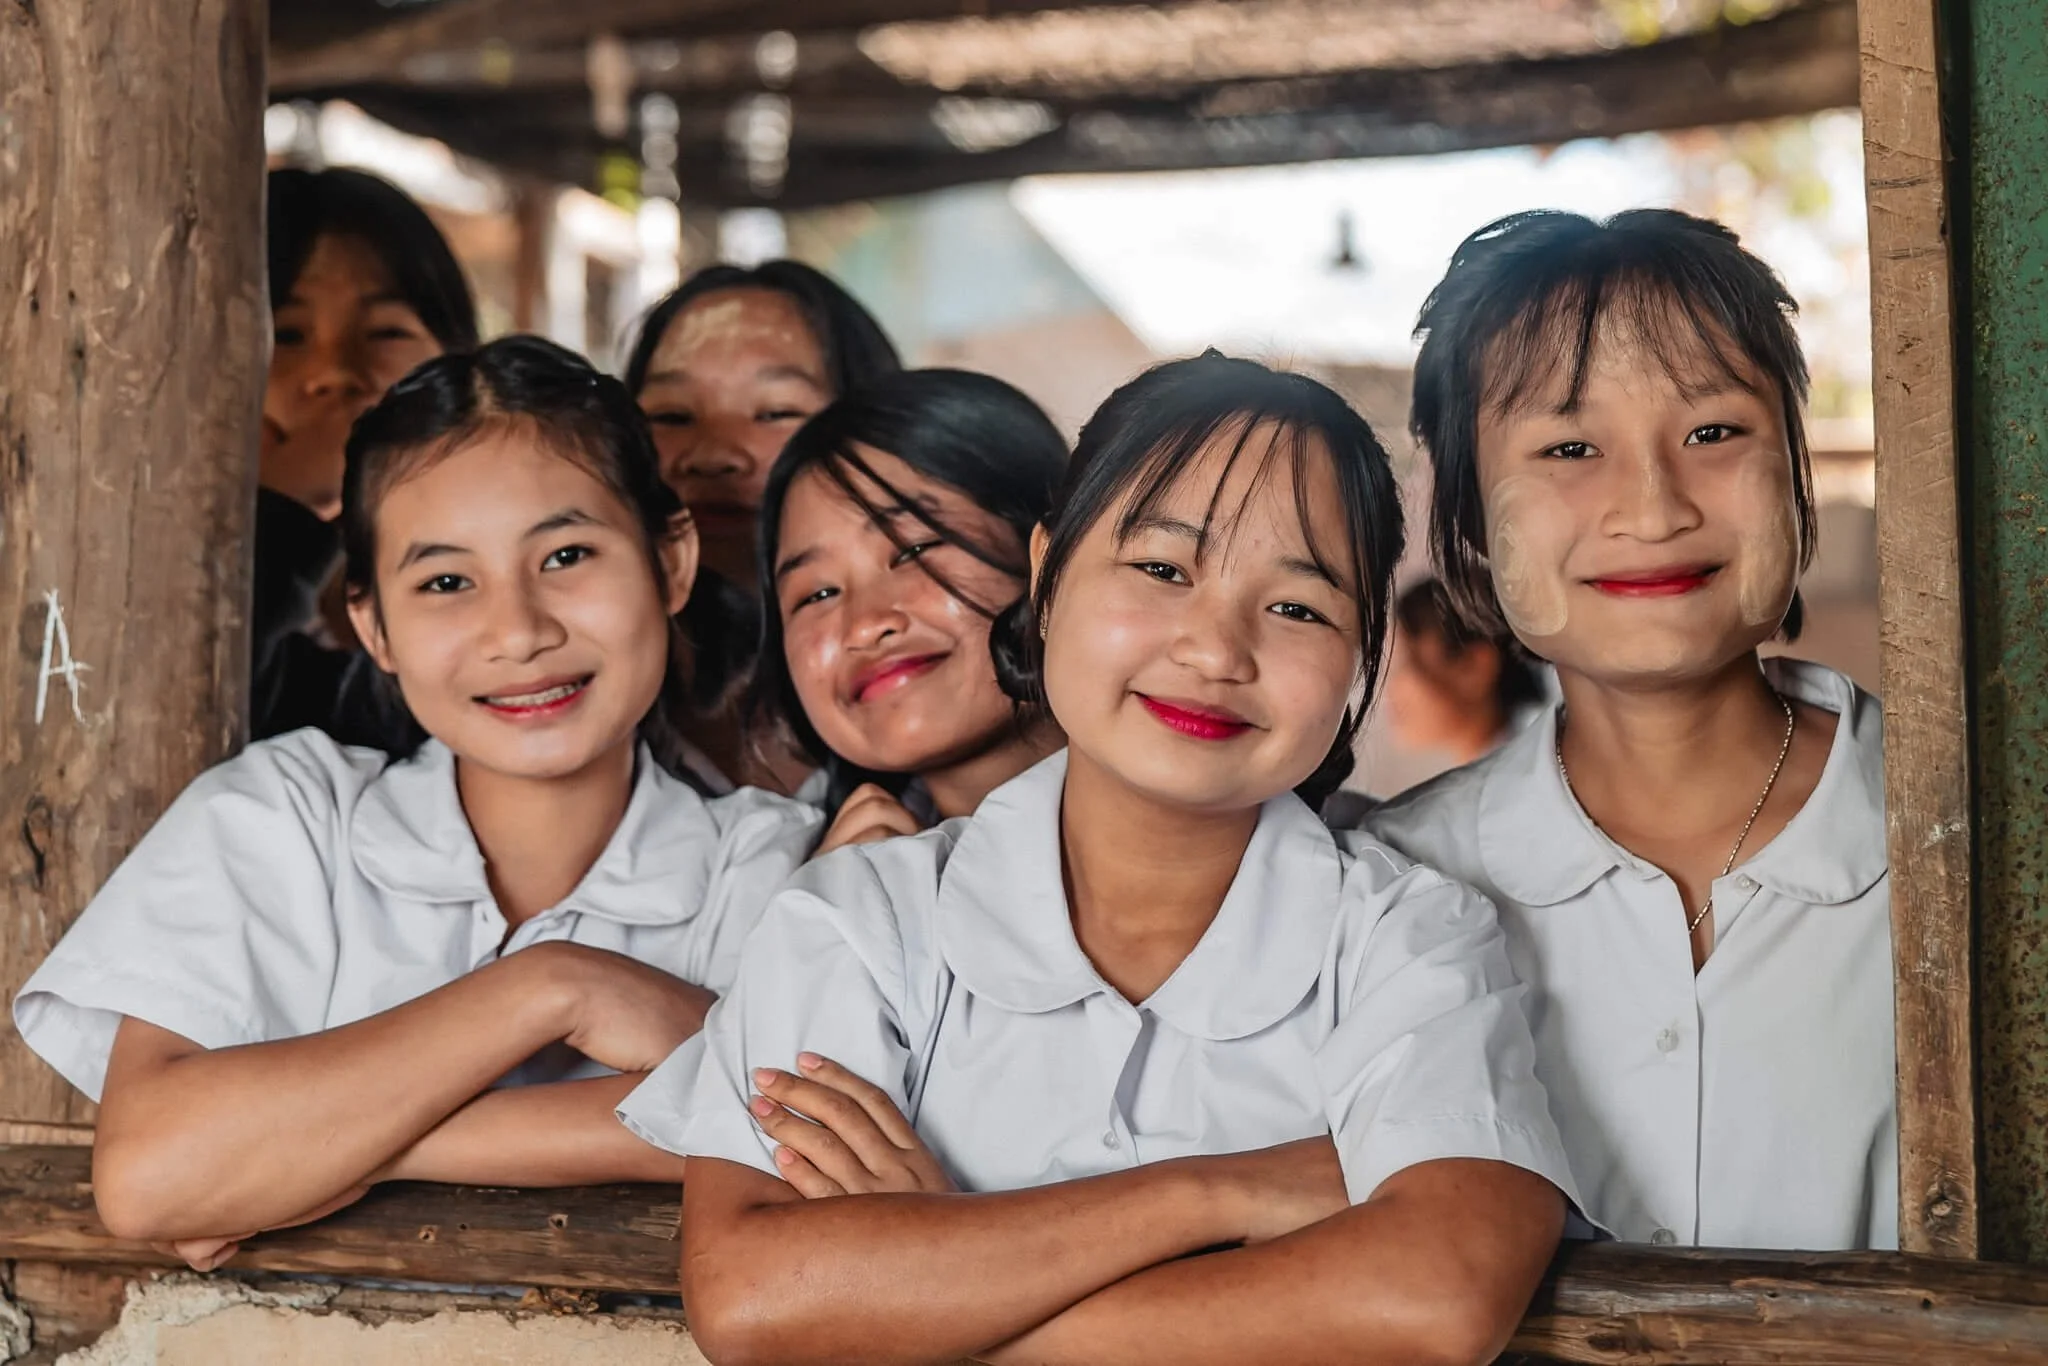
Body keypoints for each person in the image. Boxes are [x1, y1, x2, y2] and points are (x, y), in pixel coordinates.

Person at [623, 353, 1579, 1366]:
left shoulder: (1412, 934)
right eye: (1162, 570)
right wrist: (1218, 1191)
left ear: (1359, 654)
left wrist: (931, 1289)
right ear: (1046, 570)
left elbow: (1433, 1301)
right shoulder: (855, 918)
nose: (1216, 649)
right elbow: (753, 1297)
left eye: (1297, 606)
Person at [13, 337, 822, 1272]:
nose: (518, 631)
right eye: (445, 582)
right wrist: (551, 988)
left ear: (671, 561)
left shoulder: (779, 868)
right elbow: (154, 1174)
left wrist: (319, 1151)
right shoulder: (283, 816)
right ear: (373, 625)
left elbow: (794, 1135)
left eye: (565, 554)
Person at [1361, 209, 1895, 1250]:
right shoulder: (1384, 888)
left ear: (1794, 469)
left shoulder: (1968, 843)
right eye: (1568, 447)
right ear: (1467, 522)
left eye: (1711, 432)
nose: (1649, 509)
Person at [748, 369, 1069, 853]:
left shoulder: (1203, 818)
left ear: (1049, 549)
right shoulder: (802, 876)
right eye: (816, 595)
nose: (866, 624)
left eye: (913, 549)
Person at [622, 261, 903, 789]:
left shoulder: (926, 674)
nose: (714, 456)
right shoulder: (582, 694)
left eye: (774, 411)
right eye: (672, 416)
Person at [254, 167, 480, 747]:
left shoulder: (502, 570)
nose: (334, 373)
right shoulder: (154, 577)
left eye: (385, 332)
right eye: (288, 334)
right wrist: (281, 513)